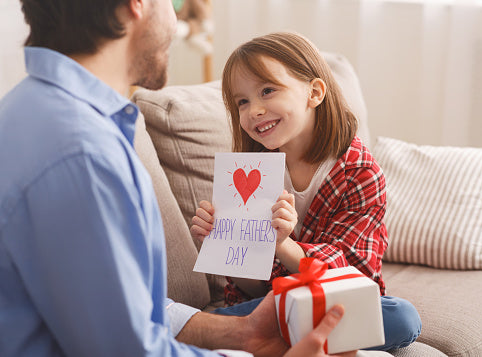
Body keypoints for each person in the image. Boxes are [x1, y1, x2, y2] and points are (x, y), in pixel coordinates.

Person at [0, 1, 356, 356]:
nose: (176, 20)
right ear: (137, 5)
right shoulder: (82, 154)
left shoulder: (29, 111)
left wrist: (239, 332)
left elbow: (114, 310)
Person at [190, 32, 422, 351]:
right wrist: (224, 242)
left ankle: (245, 334)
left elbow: (356, 276)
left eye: (267, 90)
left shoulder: (359, 172)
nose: (254, 109)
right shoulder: (250, 173)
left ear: (314, 93)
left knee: (402, 317)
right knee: (240, 314)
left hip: (331, 297)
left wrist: (283, 245)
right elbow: (253, 288)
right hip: (269, 305)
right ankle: (261, 333)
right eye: (242, 101)